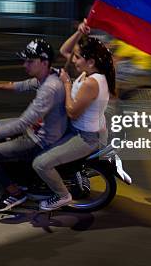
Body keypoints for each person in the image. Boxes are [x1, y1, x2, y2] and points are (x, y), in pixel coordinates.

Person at [0, 39, 66, 212]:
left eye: (30, 61)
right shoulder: (47, 76)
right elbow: (21, 86)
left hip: (39, 139)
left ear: (44, 62)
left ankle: (15, 193)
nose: (25, 65)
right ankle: (15, 173)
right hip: (39, 128)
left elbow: (23, 122)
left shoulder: (49, 88)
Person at [32, 19, 115, 211]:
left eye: (78, 57)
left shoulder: (92, 83)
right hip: (79, 129)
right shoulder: (90, 72)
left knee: (40, 163)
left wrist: (67, 83)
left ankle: (62, 196)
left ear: (91, 61)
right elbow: (64, 50)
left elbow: (72, 112)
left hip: (85, 137)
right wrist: (79, 33)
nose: (74, 60)